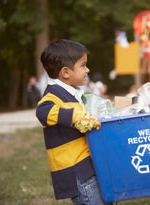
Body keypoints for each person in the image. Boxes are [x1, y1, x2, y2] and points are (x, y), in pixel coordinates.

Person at [35, 39, 111, 205]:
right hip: (78, 173)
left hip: (88, 168)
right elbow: (42, 112)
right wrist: (76, 116)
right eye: (83, 65)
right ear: (66, 73)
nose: (88, 70)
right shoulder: (52, 96)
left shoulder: (74, 94)